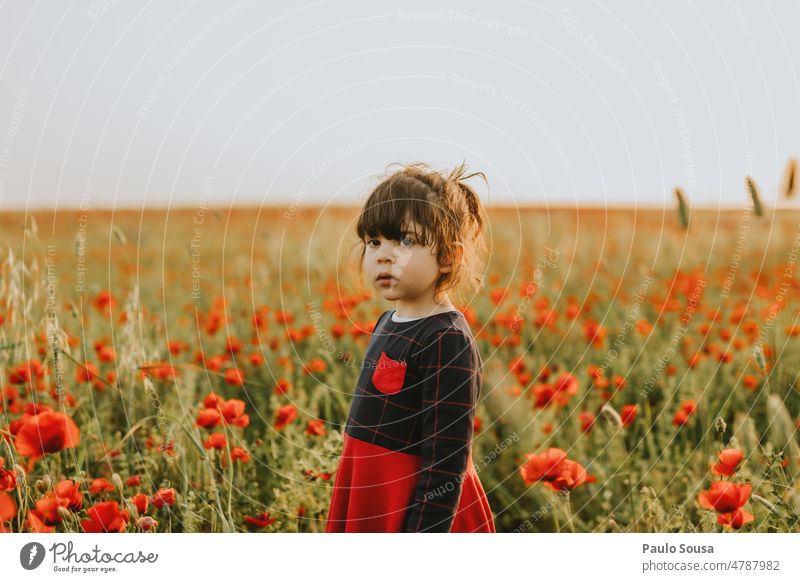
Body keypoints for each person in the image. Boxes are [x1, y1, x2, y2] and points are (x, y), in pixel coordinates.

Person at [325, 161, 496, 533]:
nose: (383, 255)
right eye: (374, 242)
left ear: (449, 257)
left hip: (415, 507)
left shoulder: (446, 339)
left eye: (405, 241)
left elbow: (445, 462)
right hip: (371, 490)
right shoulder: (387, 323)